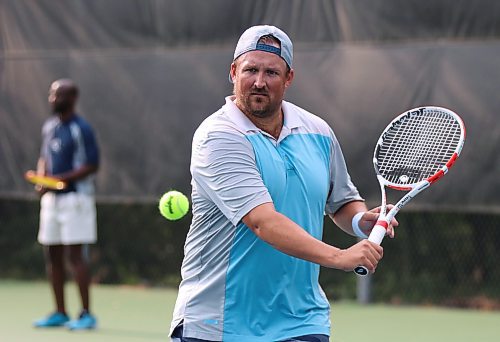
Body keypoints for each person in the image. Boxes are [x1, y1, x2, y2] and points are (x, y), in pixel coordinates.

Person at [170, 25, 398, 342]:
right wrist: (340, 257)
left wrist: (361, 220)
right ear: (234, 71)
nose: (259, 82)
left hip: (302, 322)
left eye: (271, 73)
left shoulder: (317, 132)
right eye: (250, 70)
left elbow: (341, 202)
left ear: (288, 78)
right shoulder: (219, 137)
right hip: (220, 324)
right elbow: (263, 222)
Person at [32, 79, 99, 330]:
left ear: (72, 98)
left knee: (75, 256)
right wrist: (42, 180)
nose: (52, 99)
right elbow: (44, 158)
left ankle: (86, 314)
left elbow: (92, 165)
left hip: (76, 200)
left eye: (58, 95)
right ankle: (60, 312)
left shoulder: (81, 128)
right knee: (52, 255)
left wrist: (59, 180)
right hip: (51, 202)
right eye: (51, 94)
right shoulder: (49, 126)